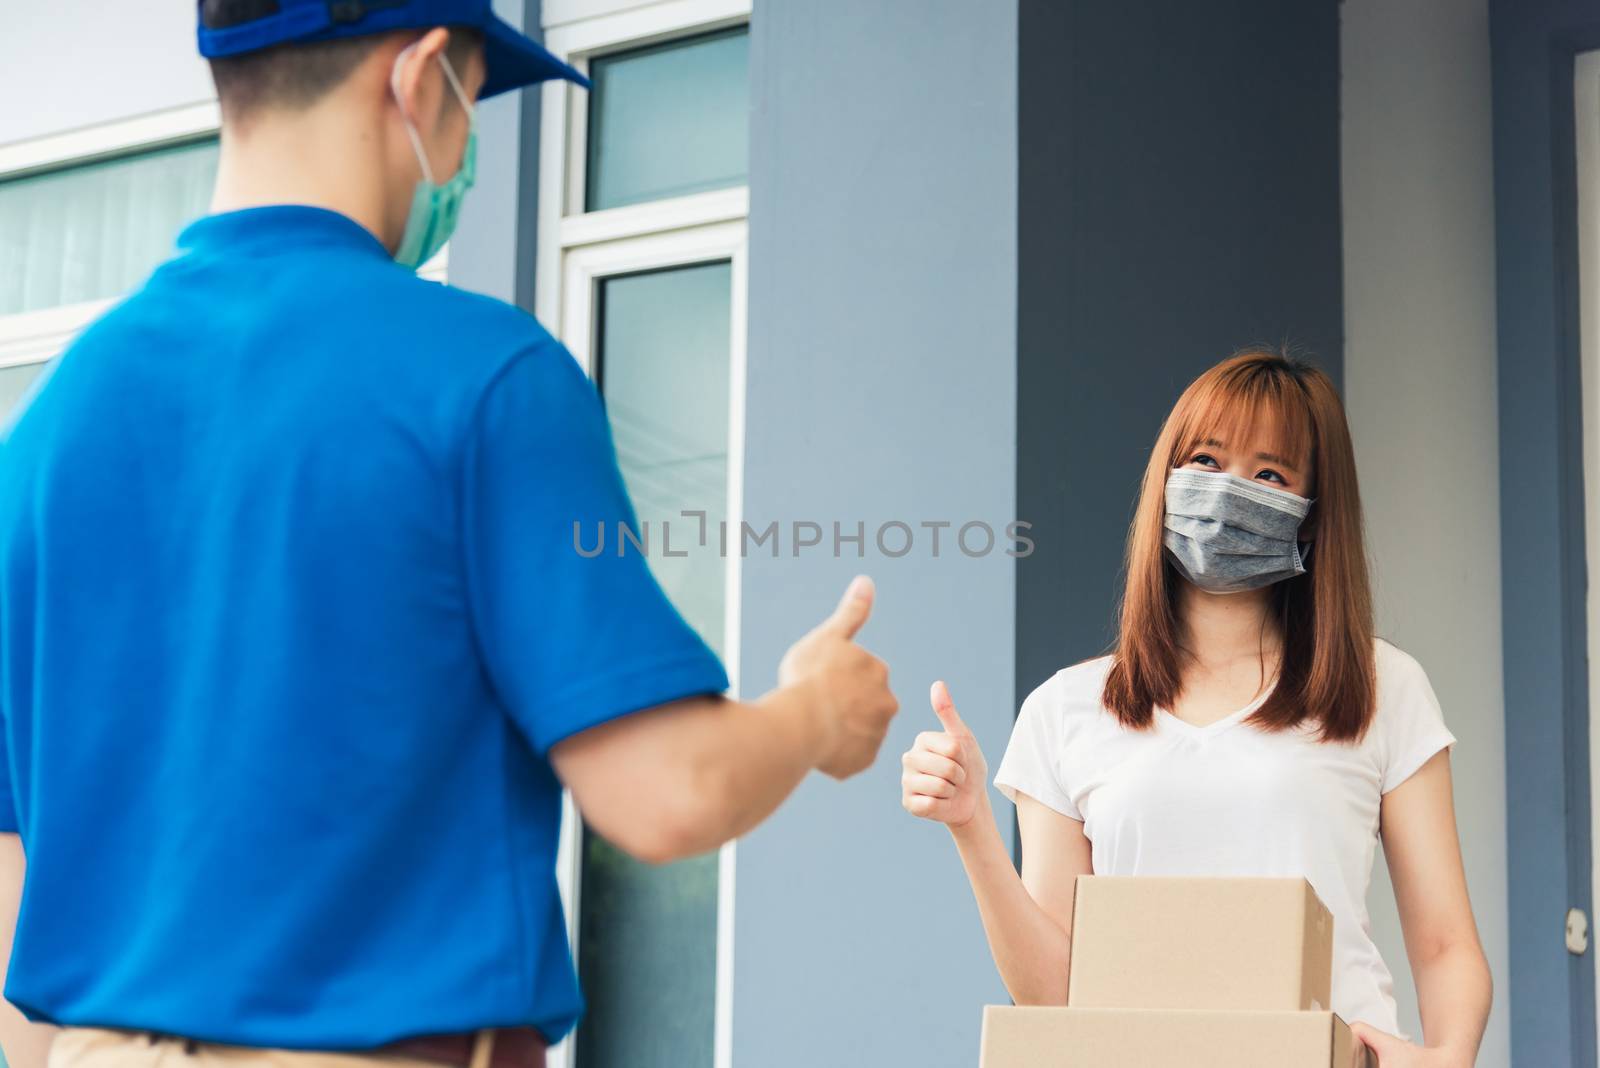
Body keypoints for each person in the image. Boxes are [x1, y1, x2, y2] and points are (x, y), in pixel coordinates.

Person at [0, 3, 900, 1066]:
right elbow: (667, 794)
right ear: (420, 78)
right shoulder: (481, 376)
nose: (466, 147)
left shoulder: (51, 424)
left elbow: (19, 862)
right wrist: (814, 713)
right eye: (472, 101)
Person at [901, 349, 1492, 1067]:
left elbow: (1445, 944)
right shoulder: (1065, 710)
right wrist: (971, 828)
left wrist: (1446, 1058)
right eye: (1206, 461)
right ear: (1166, 480)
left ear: (1310, 517)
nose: (1228, 491)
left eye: (1270, 474)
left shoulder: (1381, 687)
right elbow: (1056, 996)